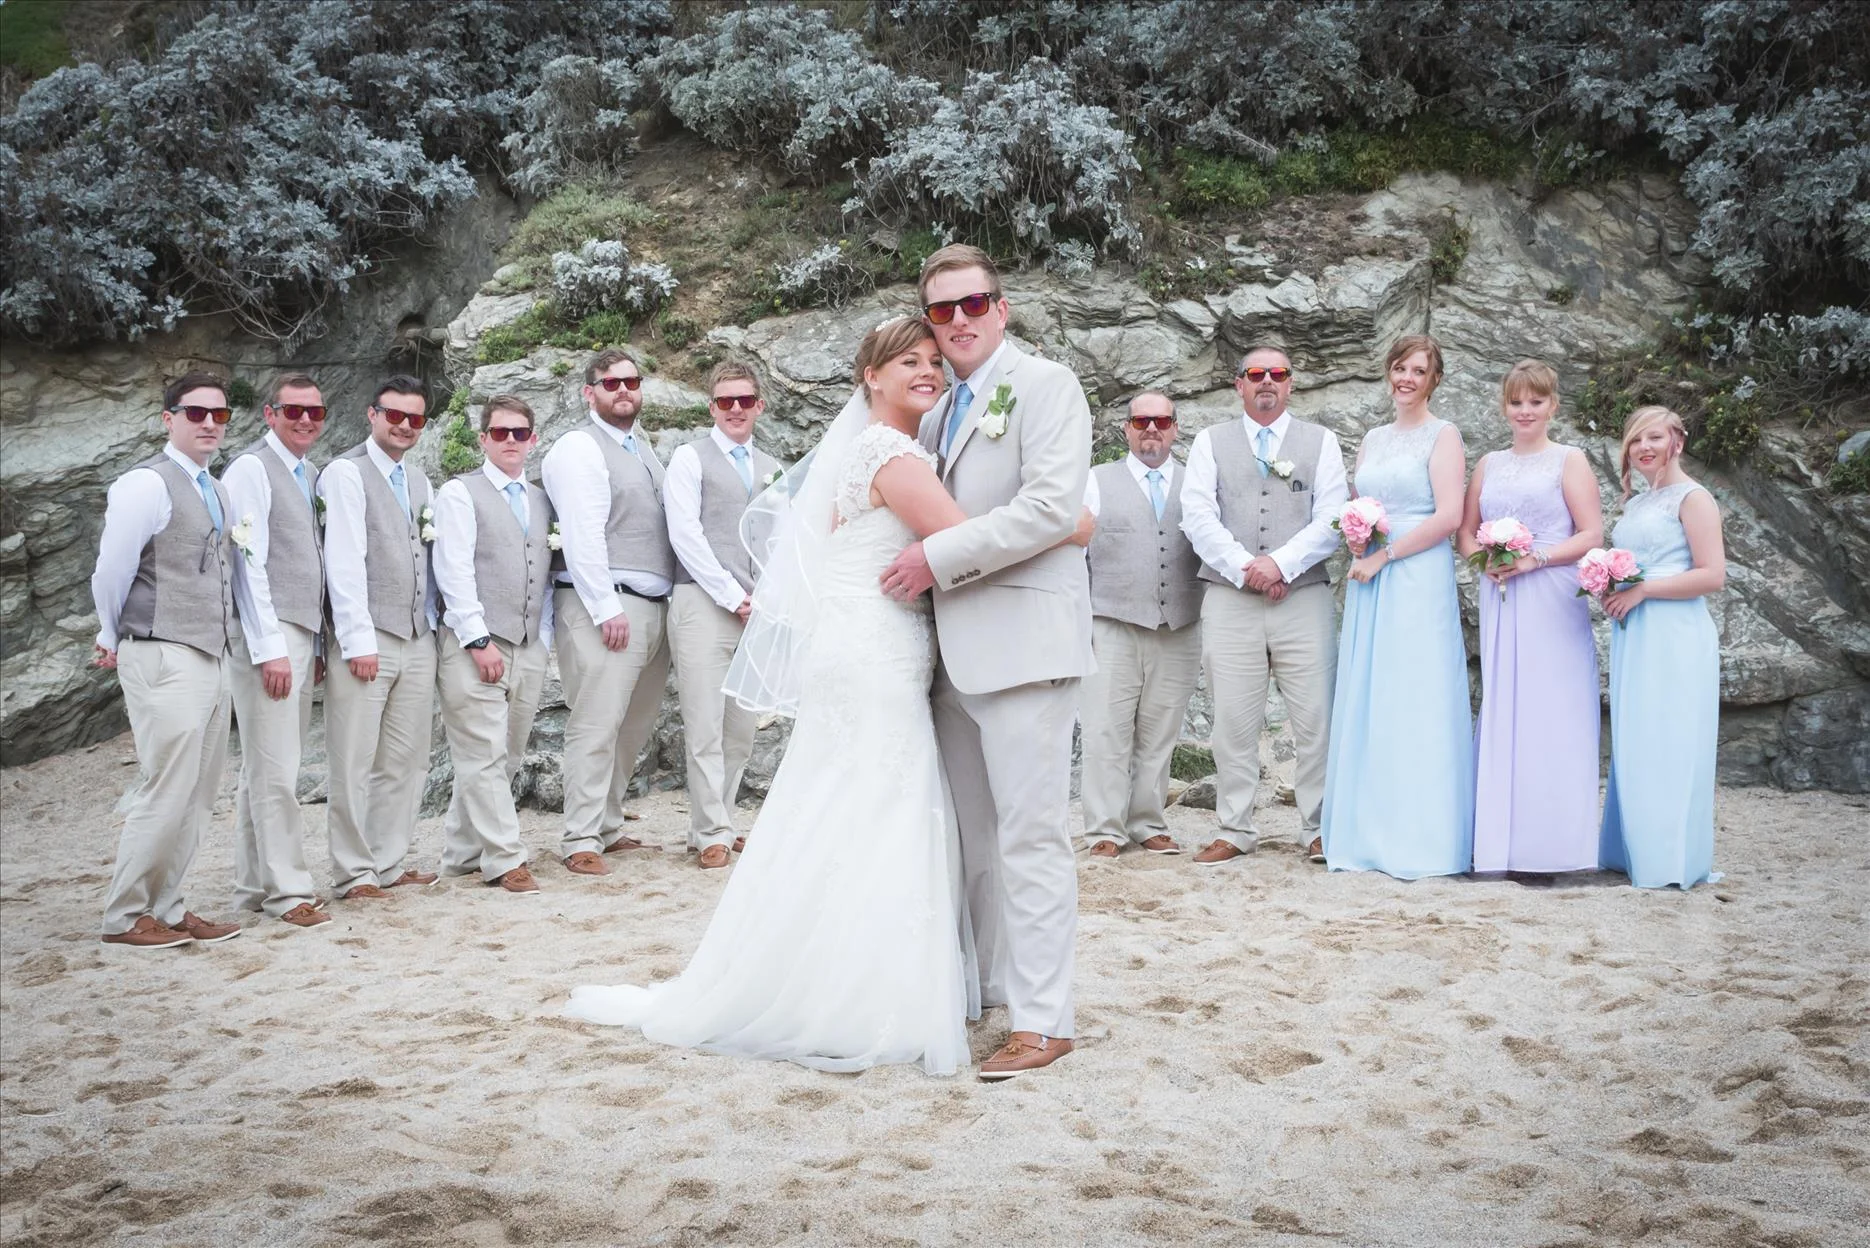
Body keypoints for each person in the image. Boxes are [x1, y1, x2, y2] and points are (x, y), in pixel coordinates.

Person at [566, 317, 979, 1075]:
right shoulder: (890, 454)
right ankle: (858, 996)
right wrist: (1063, 524)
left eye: (933, 360)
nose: (928, 370)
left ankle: (835, 976)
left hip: (864, 645)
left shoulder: (869, 450)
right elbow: (968, 540)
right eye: (908, 361)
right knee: (879, 804)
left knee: (844, 805)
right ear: (871, 377)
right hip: (874, 652)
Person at [880, 244, 1093, 1079]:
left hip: (1025, 647)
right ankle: (989, 990)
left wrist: (937, 559)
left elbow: (1050, 509)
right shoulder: (936, 414)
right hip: (948, 660)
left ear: (1002, 308)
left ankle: (1045, 1021)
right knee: (971, 842)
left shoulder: (1046, 385)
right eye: (943, 310)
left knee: (1032, 840)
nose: (960, 320)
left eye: (974, 304)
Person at [90, 371, 244, 948]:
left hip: (212, 653)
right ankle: (125, 915)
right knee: (166, 786)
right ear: (168, 419)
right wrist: (111, 632)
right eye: (195, 413)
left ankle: (169, 907)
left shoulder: (216, 489)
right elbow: (112, 569)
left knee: (200, 792)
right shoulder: (145, 483)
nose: (208, 424)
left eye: (219, 415)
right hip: (161, 649)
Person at [1180, 346, 1348, 866]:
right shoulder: (1210, 442)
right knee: (1233, 719)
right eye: (1256, 373)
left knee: (1316, 715)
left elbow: (1333, 517)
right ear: (1239, 384)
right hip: (1230, 598)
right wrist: (1246, 568)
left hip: (1303, 597)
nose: (1267, 381)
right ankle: (1235, 828)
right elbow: (1197, 516)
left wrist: (1280, 565)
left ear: (1291, 383)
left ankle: (1318, 827)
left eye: (1278, 373)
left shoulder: (1322, 441)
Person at [1321, 334, 1475, 879]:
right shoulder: (1373, 438)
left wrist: (1385, 555)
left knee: (1415, 693)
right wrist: (1357, 537)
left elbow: (1449, 516)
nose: (1407, 378)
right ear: (1389, 373)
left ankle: (1420, 838)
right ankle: (1367, 832)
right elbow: (1362, 503)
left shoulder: (1444, 435)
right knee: (1372, 691)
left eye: (1419, 370)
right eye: (1400, 368)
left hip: (1415, 573)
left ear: (1434, 380)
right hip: (1371, 573)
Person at [1458, 360, 1603, 879]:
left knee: (1552, 706)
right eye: (1516, 402)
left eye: (1536, 402)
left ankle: (1554, 845)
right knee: (1506, 703)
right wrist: (1485, 560)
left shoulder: (1570, 460)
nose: (1525, 411)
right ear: (1504, 406)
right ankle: (1501, 844)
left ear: (1552, 406)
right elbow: (1465, 531)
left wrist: (1535, 559)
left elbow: (1591, 534)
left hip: (1551, 591)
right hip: (1501, 591)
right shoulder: (1488, 464)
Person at [541, 349, 675, 877]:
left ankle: (607, 824)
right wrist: (603, 606)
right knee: (596, 723)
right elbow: (582, 532)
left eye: (631, 382)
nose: (623, 390)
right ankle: (580, 838)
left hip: (651, 605)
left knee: (632, 726)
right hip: (607, 603)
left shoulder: (642, 448)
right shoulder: (579, 446)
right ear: (588, 392)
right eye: (611, 383)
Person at [319, 375, 441, 901]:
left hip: (417, 636)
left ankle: (388, 862)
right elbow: (344, 559)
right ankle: (353, 872)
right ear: (372, 415)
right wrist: (355, 639)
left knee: (407, 759)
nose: (405, 426)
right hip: (367, 638)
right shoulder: (346, 473)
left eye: (415, 419)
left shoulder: (420, 481)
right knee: (353, 758)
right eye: (395, 415)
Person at [432, 395, 555, 896]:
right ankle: (506, 858)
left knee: (506, 755)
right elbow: (454, 570)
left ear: (532, 440)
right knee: (482, 752)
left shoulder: (541, 500)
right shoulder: (460, 493)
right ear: (483, 439)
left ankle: (461, 855)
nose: (510, 441)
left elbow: (546, 577)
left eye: (519, 433)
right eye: (500, 432)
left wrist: (543, 639)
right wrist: (477, 638)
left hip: (529, 644)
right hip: (476, 644)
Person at [1599, 405, 1726, 888]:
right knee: (1639, 737)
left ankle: (1670, 862)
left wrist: (1643, 590)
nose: (1643, 447)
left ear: (1678, 441)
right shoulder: (1637, 503)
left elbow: (1712, 575)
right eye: (1635, 440)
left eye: (1654, 437)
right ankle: (1636, 851)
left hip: (1675, 633)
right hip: (1636, 633)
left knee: (1670, 737)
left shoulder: (1694, 499)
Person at [222, 372, 332, 928]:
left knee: (262, 766)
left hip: (300, 631)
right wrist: (270, 649)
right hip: (270, 633)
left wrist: (315, 640)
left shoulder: (308, 473)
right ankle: (288, 892)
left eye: (315, 411)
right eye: (293, 411)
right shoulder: (251, 468)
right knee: (277, 768)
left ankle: (252, 887)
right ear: (270, 414)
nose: (306, 420)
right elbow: (248, 563)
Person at [663, 361, 780, 869]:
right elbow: (685, 535)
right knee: (705, 724)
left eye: (745, 400)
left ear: (759, 406)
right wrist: (733, 596)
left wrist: (770, 600)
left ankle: (719, 823)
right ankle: (711, 831)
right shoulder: (689, 458)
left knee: (740, 730)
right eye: (725, 401)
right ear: (712, 407)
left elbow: (779, 541)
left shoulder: (772, 466)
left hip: (757, 613)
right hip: (703, 604)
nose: (736, 409)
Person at [1078, 393, 1204, 859]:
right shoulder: (1095, 481)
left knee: (1160, 732)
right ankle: (1104, 830)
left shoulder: (1197, 483)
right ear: (1126, 428)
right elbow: (1075, 554)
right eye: (1142, 421)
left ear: (1175, 428)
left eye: (1162, 421)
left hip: (1180, 625)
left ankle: (1148, 822)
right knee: (1105, 730)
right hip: (1111, 622)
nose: (1152, 428)